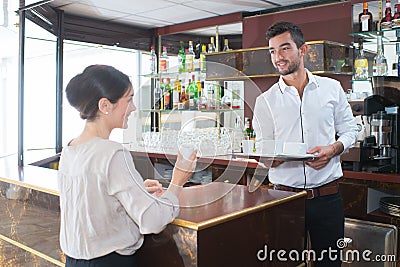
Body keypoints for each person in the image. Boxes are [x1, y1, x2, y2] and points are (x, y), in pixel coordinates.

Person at [58, 65, 196, 266]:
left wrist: (137, 190)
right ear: (105, 105)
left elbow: (93, 199)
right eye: (129, 100)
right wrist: (178, 181)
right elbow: (151, 221)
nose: (133, 108)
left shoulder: (70, 149)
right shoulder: (113, 153)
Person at [252, 22, 358, 266]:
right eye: (272, 51)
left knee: (329, 264)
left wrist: (333, 149)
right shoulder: (264, 102)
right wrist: (269, 159)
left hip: (327, 198)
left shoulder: (332, 88)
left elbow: (350, 130)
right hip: (283, 199)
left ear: (303, 50)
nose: (278, 57)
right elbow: (264, 148)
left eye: (285, 48)